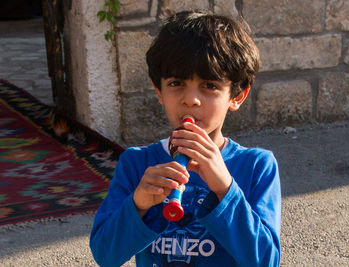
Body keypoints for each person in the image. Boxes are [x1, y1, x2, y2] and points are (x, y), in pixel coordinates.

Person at [90, 10, 281, 267]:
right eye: (176, 83)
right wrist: (139, 204)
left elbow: (266, 261)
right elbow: (106, 255)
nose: (190, 99)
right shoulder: (136, 163)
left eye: (210, 85)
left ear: (237, 96)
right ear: (159, 91)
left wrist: (225, 188)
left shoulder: (257, 165)